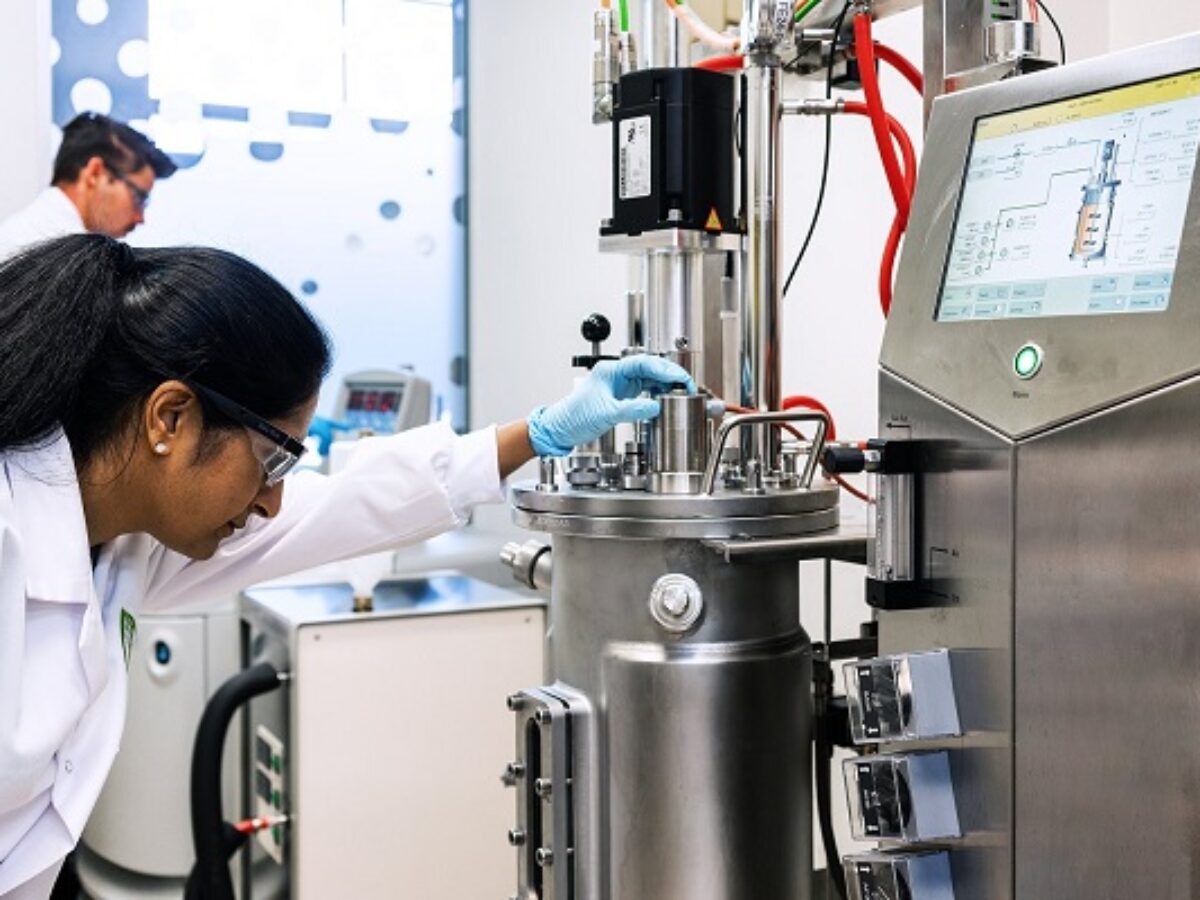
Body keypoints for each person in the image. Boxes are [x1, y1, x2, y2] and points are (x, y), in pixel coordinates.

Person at [0, 235, 693, 898]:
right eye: (272, 461)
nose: (271, 501)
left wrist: (538, 433)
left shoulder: (125, 541)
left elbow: (334, 504)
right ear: (171, 418)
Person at [0, 113, 176, 261]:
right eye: (139, 198)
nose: (140, 218)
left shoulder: (27, 231)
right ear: (95, 173)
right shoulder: (65, 257)